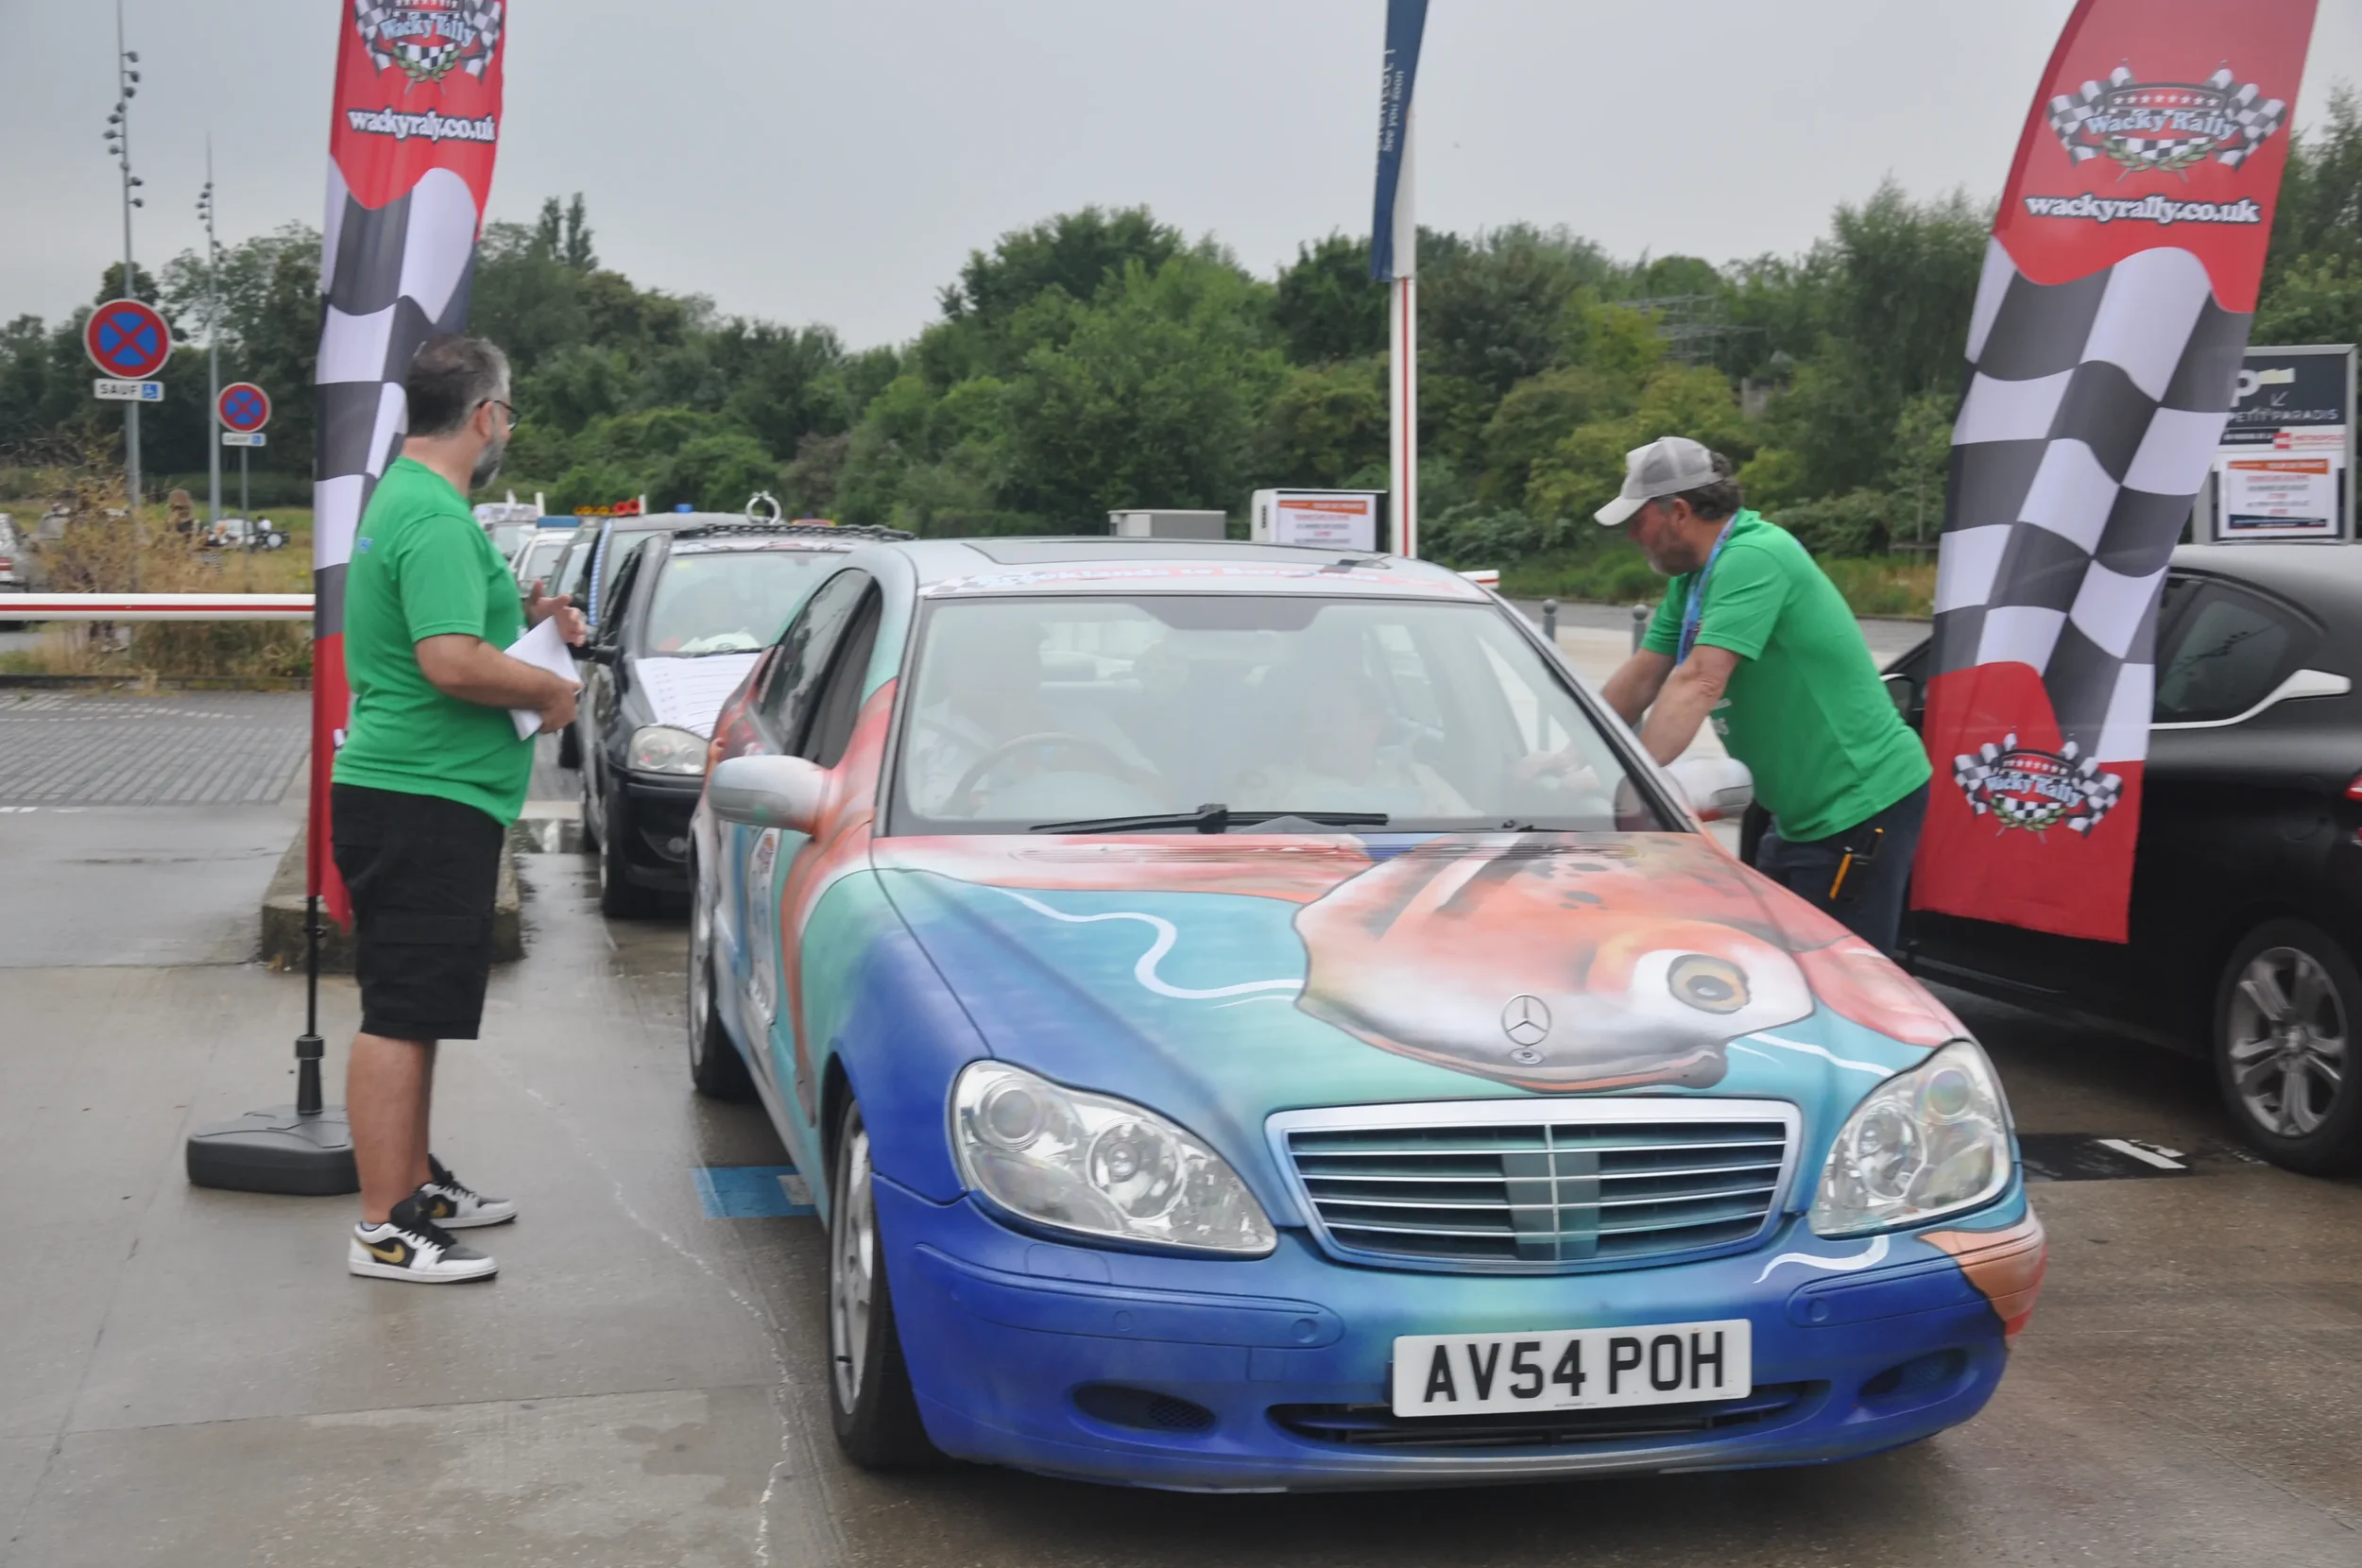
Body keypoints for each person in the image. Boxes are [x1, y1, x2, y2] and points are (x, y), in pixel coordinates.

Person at [331, 334, 585, 1284]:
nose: (507, 426)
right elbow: (449, 660)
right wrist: (552, 692)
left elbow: (460, 633)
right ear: (485, 416)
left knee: (420, 1004)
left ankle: (413, 1188)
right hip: (420, 796)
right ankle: (383, 1227)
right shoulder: (435, 515)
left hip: (428, 793)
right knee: (399, 1011)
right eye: (508, 410)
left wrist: (536, 624)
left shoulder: (409, 500)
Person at [1592, 435, 1930, 955]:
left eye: (1638, 522)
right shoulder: (1695, 579)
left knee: (1842, 985)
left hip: (1860, 805)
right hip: (1797, 814)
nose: (1633, 537)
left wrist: (1632, 786)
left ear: (1678, 512)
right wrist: (1579, 754)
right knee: (1774, 967)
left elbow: (1700, 679)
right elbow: (1643, 677)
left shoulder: (1754, 556)